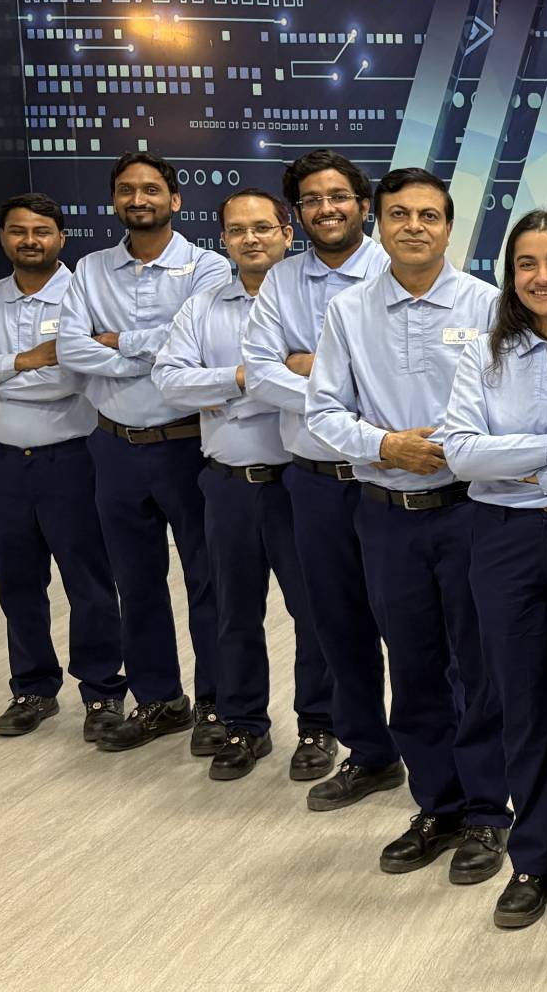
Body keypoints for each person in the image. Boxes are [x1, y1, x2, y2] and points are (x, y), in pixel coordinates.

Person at [305, 167, 510, 883]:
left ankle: (489, 813)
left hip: (471, 512)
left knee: (480, 668)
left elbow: (513, 403)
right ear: (377, 222)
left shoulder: (490, 305)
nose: (414, 226)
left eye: (429, 215)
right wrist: (387, 445)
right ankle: (438, 803)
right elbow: (322, 411)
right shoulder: (350, 312)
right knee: (414, 665)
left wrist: (453, 445)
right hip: (386, 516)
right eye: (400, 214)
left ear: (450, 227)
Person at [436, 211, 547, 932]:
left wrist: (521, 450)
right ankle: (531, 858)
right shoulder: (485, 354)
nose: (543, 277)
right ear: (510, 277)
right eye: (526, 264)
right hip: (501, 537)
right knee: (520, 704)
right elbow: (461, 454)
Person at [152, 188, 337, 782]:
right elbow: (169, 383)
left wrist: (228, 388)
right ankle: (243, 724)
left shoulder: (316, 304)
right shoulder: (204, 307)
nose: (250, 239)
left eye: (262, 227)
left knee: (314, 614)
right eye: (236, 230)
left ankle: (319, 725)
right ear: (224, 240)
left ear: (289, 234)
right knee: (232, 610)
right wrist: (250, 376)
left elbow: (337, 384)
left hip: (298, 482)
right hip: (227, 483)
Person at [0, 192, 125, 739]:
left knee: (88, 582)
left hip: (72, 460)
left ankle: (103, 691)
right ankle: (33, 688)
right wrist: (22, 361)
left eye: (41, 230)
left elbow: (66, 379)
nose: (30, 240)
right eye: (18, 230)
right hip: (0, 464)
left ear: (61, 238)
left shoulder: (84, 299)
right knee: (17, 583)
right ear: (4, 238)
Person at [243, 149, 403, 812]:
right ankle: (370, 753)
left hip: (391, 481)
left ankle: (450, 763)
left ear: (362, 205)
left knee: (419, 628)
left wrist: (313, 368)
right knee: (336, 623)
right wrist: (343, 386)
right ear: (297, 213)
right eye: (311, 199)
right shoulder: (280, 283)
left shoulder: (399, 272)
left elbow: (413, 377)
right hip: (312, 482)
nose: (326, 208)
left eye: (338, 196)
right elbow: (258, 370)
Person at [58, 151, 231, 753]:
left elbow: (199, 342)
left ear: (175, 200)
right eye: (127, 190)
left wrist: (119, 343)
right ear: (115, 200)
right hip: (114, 448)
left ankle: (217, 703)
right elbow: (71, 350)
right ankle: (161, 699)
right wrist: (150, 353)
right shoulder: (89, 270)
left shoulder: (208, 268)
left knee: (209, 582)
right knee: (136, 582)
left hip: (188, 447)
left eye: (151, 189)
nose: (139, 199)